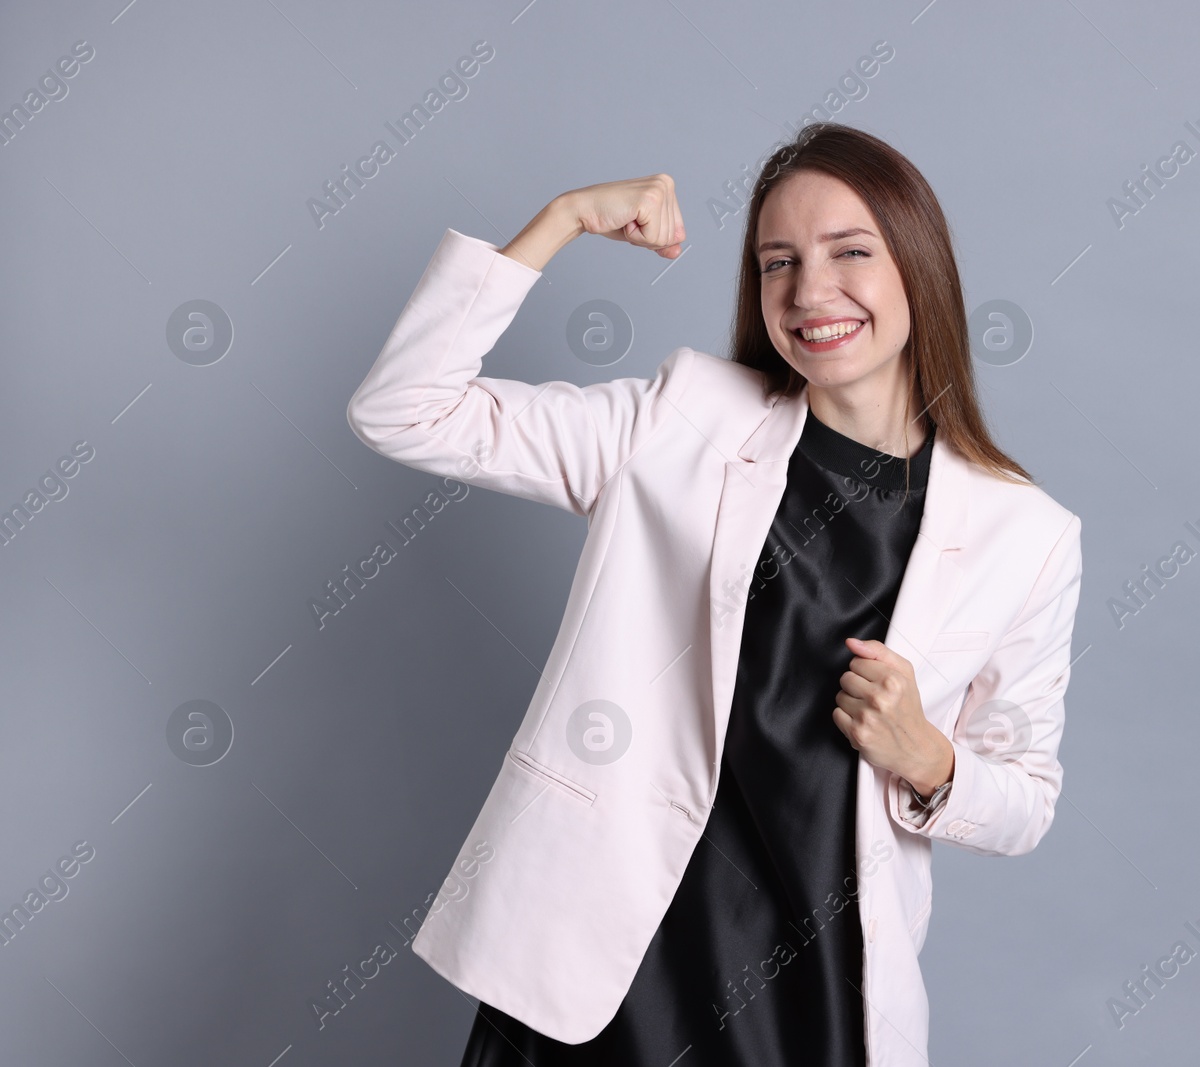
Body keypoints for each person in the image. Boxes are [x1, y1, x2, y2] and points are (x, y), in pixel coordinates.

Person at [346, 121, 1084, 1067]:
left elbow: (1025, 798)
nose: (811, 292)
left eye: (849, 252)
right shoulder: (681, 421)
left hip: (813, 998)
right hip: (606, 970)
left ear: (918, 265)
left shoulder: (1024, 534)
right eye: (779, 262)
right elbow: (405, 411)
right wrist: (563, 219)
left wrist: (931, 758)